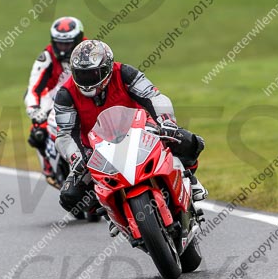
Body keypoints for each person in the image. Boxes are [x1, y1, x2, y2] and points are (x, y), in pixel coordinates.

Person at [54, 40, 207, 234]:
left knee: (188, 140)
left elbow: (154, 96)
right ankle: (110, 212)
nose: (86, 80)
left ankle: (189, 178)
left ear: (107, 68)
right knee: (70, 196)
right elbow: (65, 134)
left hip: (141, 131)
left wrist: (166, 121)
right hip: (96, 149)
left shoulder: (125, 73)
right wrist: (76, 157)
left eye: (93, 73)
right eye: (81, 74)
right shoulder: (65, 94)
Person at [24, 16, 85, 185]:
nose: (63, 49)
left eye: (67, 44)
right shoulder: (46, 57)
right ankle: (49, 168)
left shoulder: (90, 49)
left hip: (85, 93)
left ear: (78, 39)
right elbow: (33, 89)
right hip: (52, 98)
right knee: (37, 133)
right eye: (59, 43)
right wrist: (35, 112)